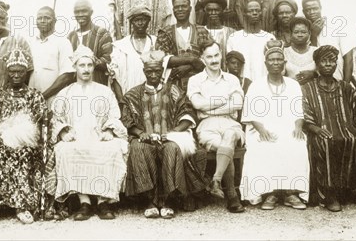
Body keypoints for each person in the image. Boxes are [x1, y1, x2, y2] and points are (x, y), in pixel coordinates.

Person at [0, 49, 53, 225]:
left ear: (25, 72)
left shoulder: (34, 97)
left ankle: (23, 206)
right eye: (12, 71)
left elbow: (41, 126)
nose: (16, 75)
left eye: (20, 71)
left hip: (25, 143)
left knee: (24, 153)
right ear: (7, 72)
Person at [122, 49, 205, 219]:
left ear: (162, 72)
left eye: (157, 71)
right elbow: (126, 119)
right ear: (144, 72)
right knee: (138, 148)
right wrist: (140, 132)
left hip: (169, 138)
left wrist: (174, 132)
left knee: (172, 149)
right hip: (145, 138)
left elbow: (187, 112)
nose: (153, 74)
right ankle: (150, 201)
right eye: (149, 71)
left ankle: (168, 200)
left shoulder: (173, 90)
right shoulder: (132, 94)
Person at [49, 46, 128, 221]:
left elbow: (115, 115)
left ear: (94, 67)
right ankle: (84, 201)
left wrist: (108, 130)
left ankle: (102, 201)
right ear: (75, 67)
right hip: (75, 137)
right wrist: (62, 132)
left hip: (99, 136)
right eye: (81, 65)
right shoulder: (66, 92)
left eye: (89, 65)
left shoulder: (104, 91)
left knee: (112, 150)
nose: (86, 69)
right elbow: (56, 118)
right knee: (66, 151)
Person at [303, 45, 356, 211]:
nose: (328, 64)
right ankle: (330, 195)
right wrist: (317, 129)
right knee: (327, 143)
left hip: (347, 128)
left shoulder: (345, 87)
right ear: (317, 65)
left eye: (332, 61)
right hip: (320, 130)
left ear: (336, 65)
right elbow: (305, 113)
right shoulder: (308, 88)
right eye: (324, 61)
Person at [240, 41, 310, 210]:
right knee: (263, 144)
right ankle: (269, 193)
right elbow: (250, 113)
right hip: (261, 127)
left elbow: (298, 112)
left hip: (288, 125)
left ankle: (290, 193)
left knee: (296, 143)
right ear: (266, 63)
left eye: (279, 59)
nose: (276, 62)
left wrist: (298, 127)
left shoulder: (293, 85)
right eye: (272, 59)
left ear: (284, 63)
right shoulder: (256, 85)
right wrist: (262, 129)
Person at [187, 42, 245, 213]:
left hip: (230, 122)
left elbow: (237, 103)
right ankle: (232, 196)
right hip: (207, 125)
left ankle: (217, 181)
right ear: (202, 59)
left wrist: (208, 106)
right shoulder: (195, 80)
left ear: (221, 55)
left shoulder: (232, 79)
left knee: (230, 136)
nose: (214, 60)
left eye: (216, 55)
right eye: (209, 57)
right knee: (223, 147)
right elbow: (197, 104)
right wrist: (223, 99)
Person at [155, 0, 213, 91]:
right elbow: (161, 59)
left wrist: (189, 67)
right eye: (176, 7)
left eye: (184, 6)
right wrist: (192, 61)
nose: (180, 9)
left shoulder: (202, 31)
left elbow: (210, 56)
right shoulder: (165, 32)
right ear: (173, 10)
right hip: (173, 85)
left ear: (190, 9)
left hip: (200, 84)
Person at [0, 0, 32, 99]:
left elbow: (28, 71)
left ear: (7, 19)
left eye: (1, 18)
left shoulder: (19, 41)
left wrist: (17, 94)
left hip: (11, 98)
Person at [28, 6, 75, 102]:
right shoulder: (31, 42)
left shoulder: (63, 42)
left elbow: (67, 75)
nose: (42, 21)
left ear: (55, 21)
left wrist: (43, 97)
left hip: (55, 100)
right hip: (31, 100)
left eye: (47, 18)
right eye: (39, 18)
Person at [111, 5, 157, 94]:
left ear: (148, 21)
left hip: (152, 95)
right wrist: (122, 100)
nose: (140, 23)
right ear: (131, 22)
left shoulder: (156, 42)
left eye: (143, 19)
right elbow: (115, 76)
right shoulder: (121, 45)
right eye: (136, 20)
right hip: (128, 94)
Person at [66, 0, 113, 85]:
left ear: (91, 12)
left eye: (84, 11)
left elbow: (109, 62)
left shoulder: (102, 33)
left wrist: (88, 58)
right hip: (75, 87)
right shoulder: (71, 36)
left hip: (97, 85)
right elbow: (66, 63)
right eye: (77, 12)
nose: (80, 14)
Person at [302, 0, 348, 80]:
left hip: (338, 79)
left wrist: (346, 86)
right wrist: (313, 35)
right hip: (315, 83)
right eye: (308, 10)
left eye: (315, 9)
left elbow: (348, 59)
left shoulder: (336, 28)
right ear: (304, 12)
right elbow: (312, 59)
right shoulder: (302, 31)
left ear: (320, 8)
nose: (312, 12)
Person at [226, 1, 275, 81]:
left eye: (257, 10)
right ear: (244, 14)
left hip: (264, 83)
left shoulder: (269, 38)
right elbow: (230, 65)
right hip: (242, 84)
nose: (254, 13)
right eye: (250, 11)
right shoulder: (234, 38)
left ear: (261, 13)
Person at [200, 0, 235, 70]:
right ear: (204, 11)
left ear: (222, 11)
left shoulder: (232, 32)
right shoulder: (198, 31)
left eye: (217, 10)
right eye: (209, 10)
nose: (213, 13)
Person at [283, 17, 317, 85]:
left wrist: (314, 74)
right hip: (291, 91)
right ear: (290, 34)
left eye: (303, 32)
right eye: (296, 32)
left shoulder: (317, 51)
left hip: (313, 92)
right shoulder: (284, 52)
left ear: (309, 33)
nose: (300, 35)